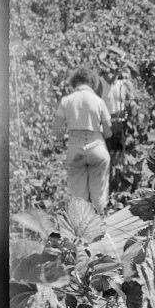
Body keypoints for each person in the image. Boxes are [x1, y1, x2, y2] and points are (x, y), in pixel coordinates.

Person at [51, 66, 113, 211]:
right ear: (92, 82)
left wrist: (59, 141)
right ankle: (99, 228)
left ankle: (81, 230)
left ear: (75, 82)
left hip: (75, 148)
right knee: (99, 195)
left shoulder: (66, 100)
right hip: (97, 148)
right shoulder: (98, 101)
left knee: (78, 197)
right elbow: (109, 132)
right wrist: (100, 132)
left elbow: (56, 129)